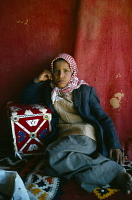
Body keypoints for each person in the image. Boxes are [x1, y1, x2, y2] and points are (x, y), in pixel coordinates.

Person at [20, 53, 132, 194]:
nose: (61, 75)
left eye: (66, 71)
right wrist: (37, 80)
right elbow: (24, 99)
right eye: (57, 71)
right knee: (55, 165)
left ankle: (112, 171)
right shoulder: (50, 91)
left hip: (84, 134)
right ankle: (112, 173)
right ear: (51, 73)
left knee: (52, 156)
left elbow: (103, 118)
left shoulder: (85, 91)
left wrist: (114, 144)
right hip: (64, 136)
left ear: (73, 72)